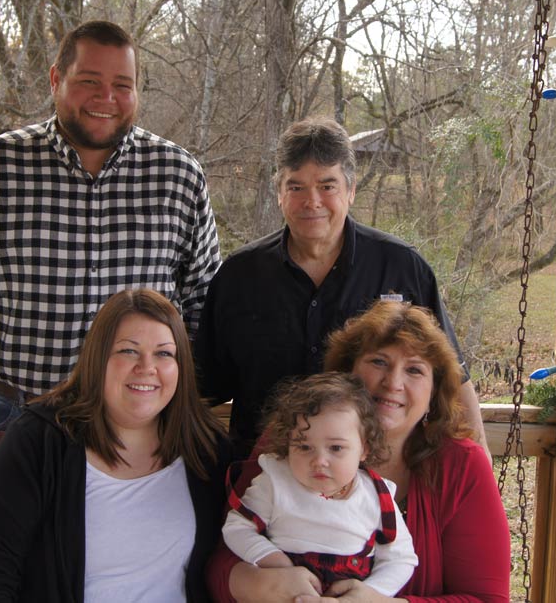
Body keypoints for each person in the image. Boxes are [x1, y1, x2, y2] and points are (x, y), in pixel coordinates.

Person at [0, 20, 220, 480]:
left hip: (142, 428)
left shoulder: (179, 177)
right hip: (14, 418)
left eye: (122, 85)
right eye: (89, 81)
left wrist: (183, 407)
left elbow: (203, 308)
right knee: (9, 531)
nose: (106, 97)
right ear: (56, 79)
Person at [195, 117, 487, 460]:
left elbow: (453, 378)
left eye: (327, 185)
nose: (312, 201)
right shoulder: (239, 277)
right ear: (279, 194)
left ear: (351, 190)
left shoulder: (402, 268)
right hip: (262, 477)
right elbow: (202, 391)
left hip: (375, 475)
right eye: (296, 187)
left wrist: (480, 468)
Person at [207, 300, 510, 602]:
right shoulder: (295, 438)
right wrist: (264, 584)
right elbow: (220, 561)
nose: (393, 382)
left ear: (433, 392)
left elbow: (488, 599)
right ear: (347, 372)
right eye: (379, 362)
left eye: (414, 370)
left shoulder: (462, 465)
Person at [0, 288, 232, 602]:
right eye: (128, 351)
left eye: (164, 353)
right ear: (98, 359)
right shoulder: (41, 442)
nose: (146, 367)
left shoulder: (205, 449)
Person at [222, 372, 417, 597]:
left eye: (336, 448)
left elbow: (401, 558)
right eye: (304, 447)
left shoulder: (376, 496)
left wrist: (371, 593)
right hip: (284, 591)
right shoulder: (275, 481)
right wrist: (273, 560)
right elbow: (237, 527)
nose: (319, 461)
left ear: (364, 449)